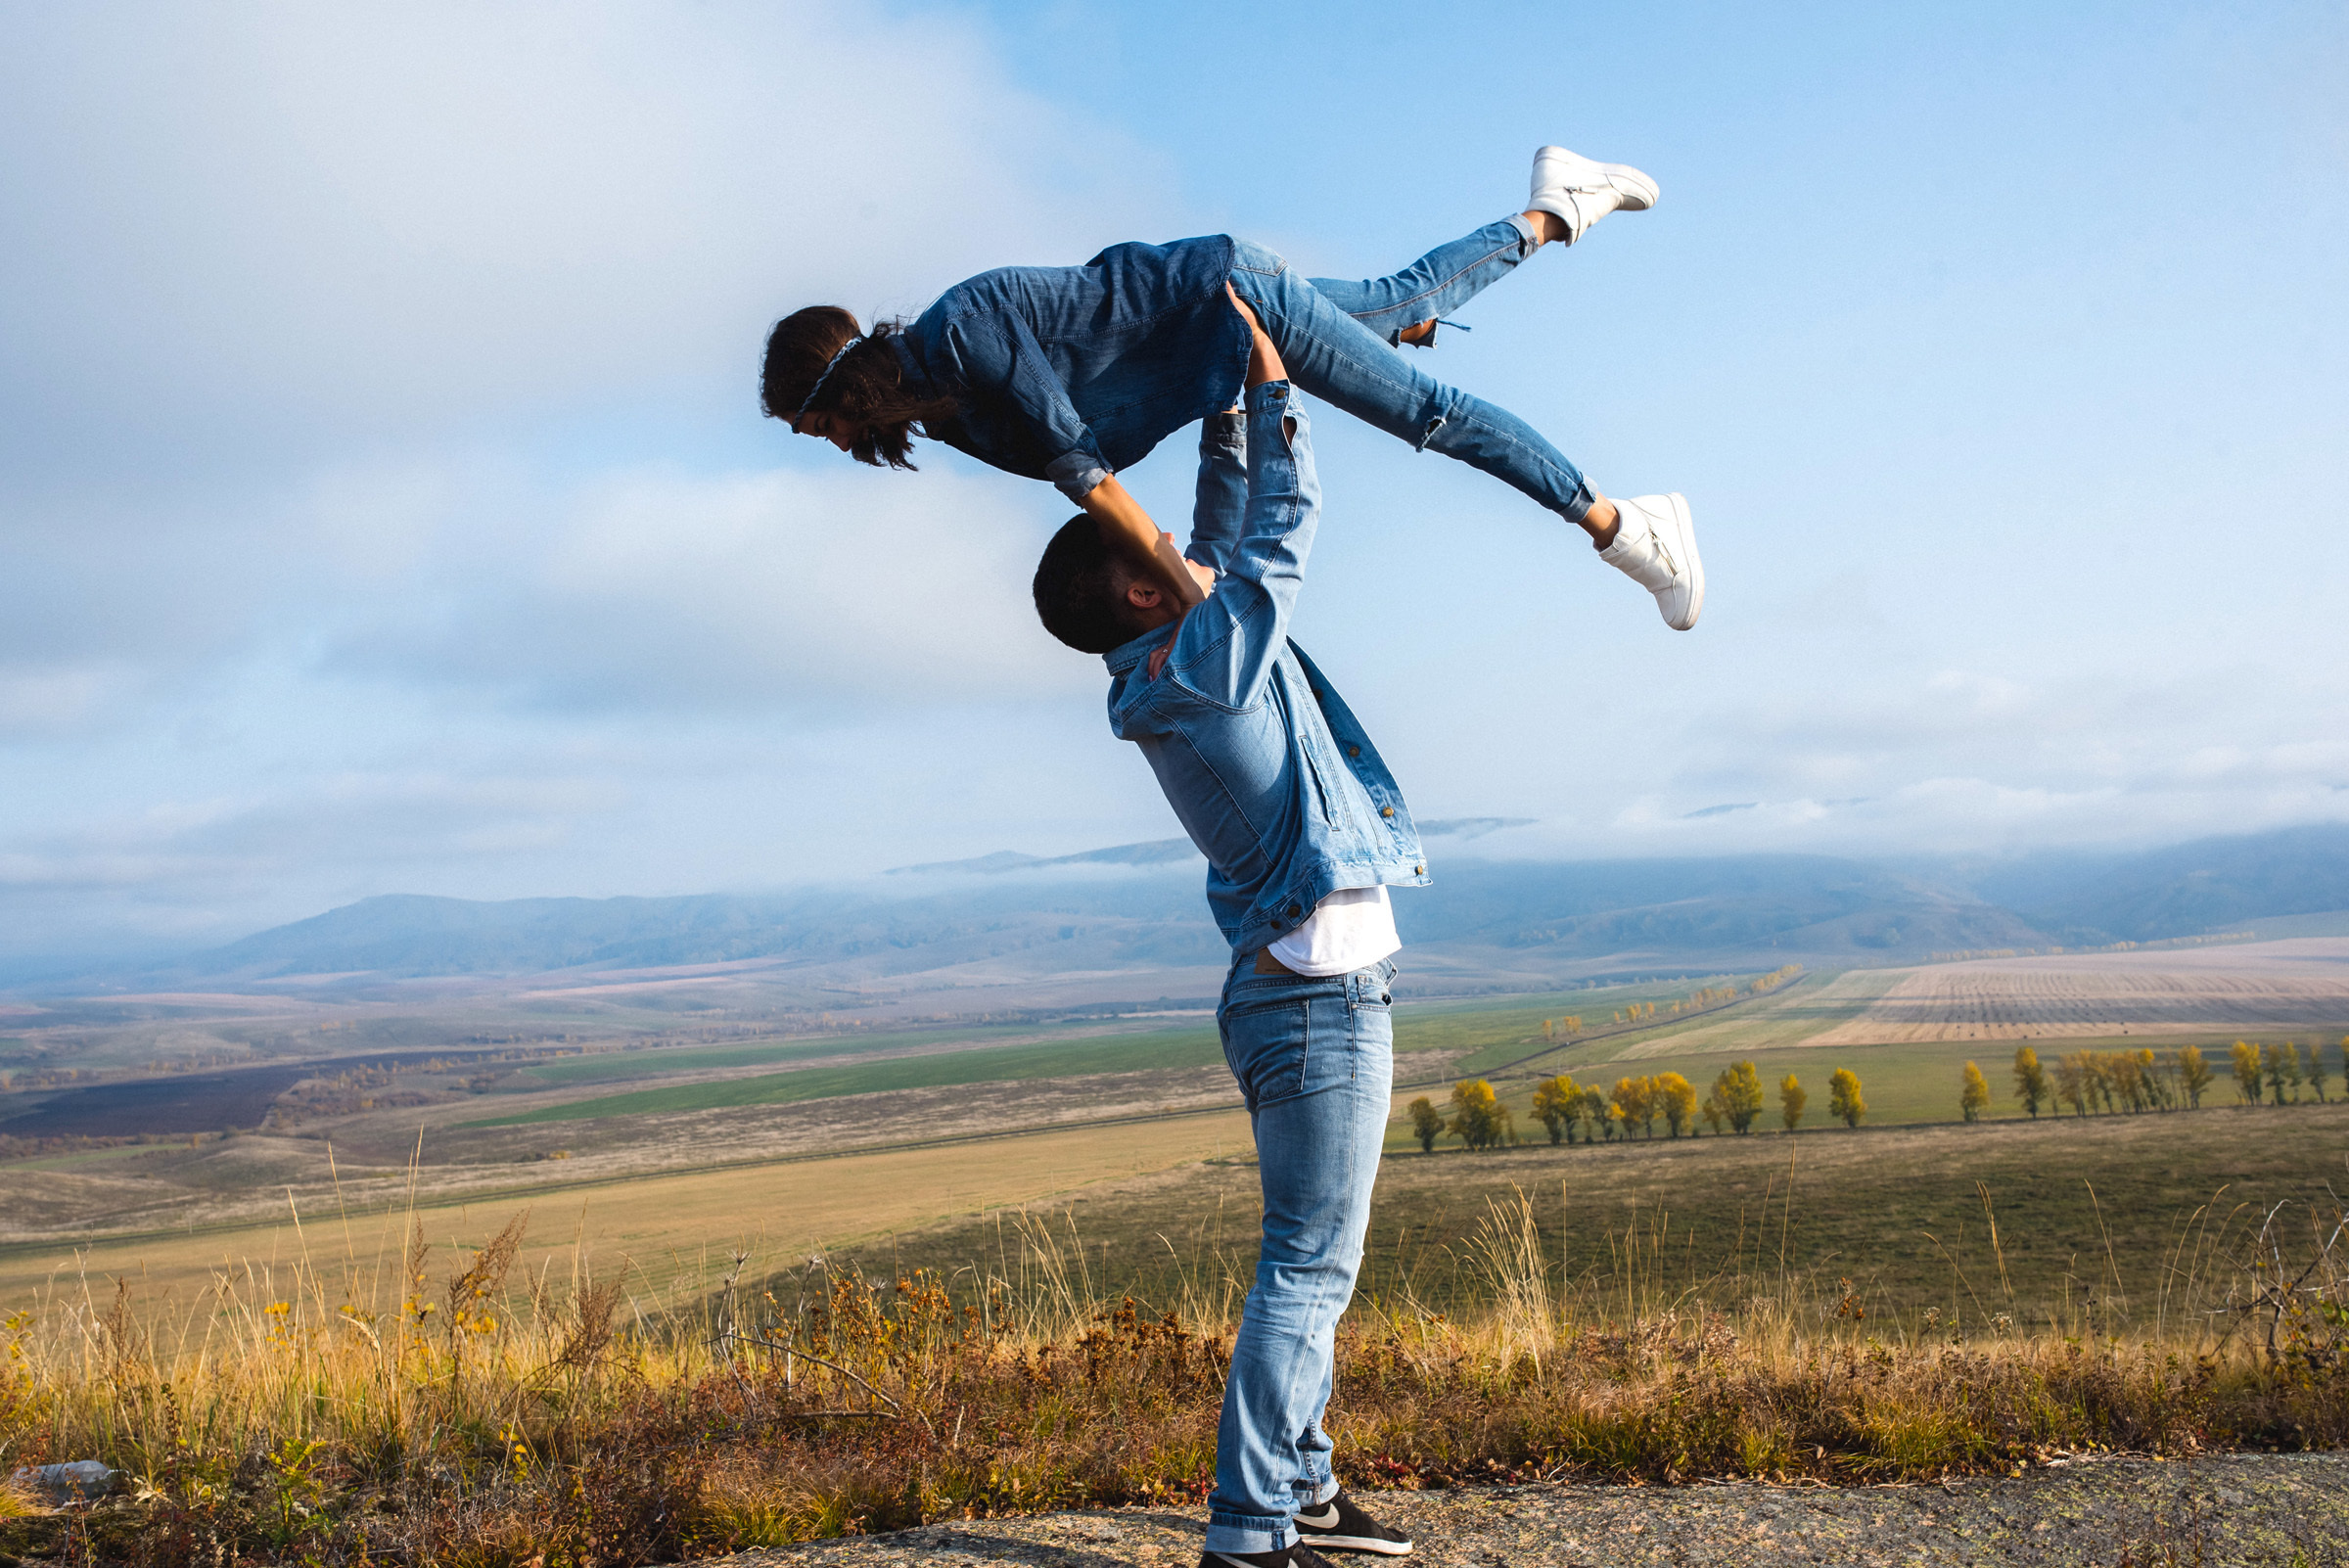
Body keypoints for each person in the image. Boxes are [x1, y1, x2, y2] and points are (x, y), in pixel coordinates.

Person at [1027, 297, 1437, 1568]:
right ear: (1149, 589)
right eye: (1146, 543)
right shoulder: (1209, 661)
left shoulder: (1166, 664)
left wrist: (1215, 405)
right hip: (1315, 1003)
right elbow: (1276, 538)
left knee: (1308, 1268)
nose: (1171, 546)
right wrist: (1273, 397)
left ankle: (1304, 1496)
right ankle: (1253, 1531)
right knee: (1306, 1277)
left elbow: (1215, 532)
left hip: (1287, 993)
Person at [766, 146, 1703, 633]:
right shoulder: (953, 418)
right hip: (1213, 343)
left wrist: (1184, 591)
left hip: (1231, 306)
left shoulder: (966, 332)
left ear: (842, 386)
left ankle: (1625, 526)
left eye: (820, 426)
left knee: (1429, 416)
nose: (832, 445)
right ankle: (1557, 205)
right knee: (1398, 302)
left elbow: (1093, 480)